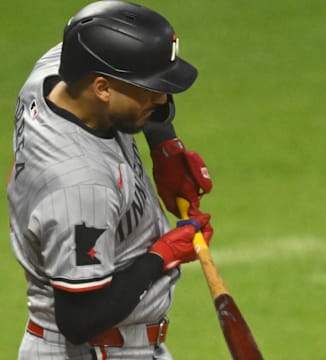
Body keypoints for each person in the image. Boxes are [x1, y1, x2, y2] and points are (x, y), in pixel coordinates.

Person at [6, 1, 213, 359]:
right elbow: (80, 320)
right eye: (150, 91)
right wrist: (163, 255)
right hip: (93, 351)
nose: (162, 100)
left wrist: (164, 146)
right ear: (102, 88)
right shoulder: (81, 187)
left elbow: (117, 66)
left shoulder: (52, 76)